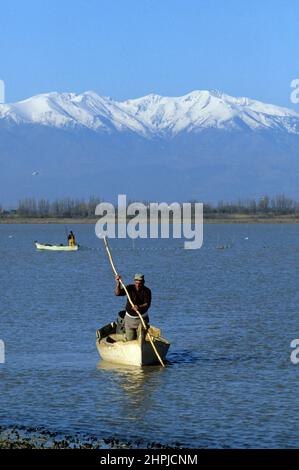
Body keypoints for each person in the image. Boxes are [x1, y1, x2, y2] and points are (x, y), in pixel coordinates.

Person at [115, 273, 151, 341]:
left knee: (141, 340)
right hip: (129, 320)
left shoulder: (147, 291)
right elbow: (118, 293)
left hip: (142, 319)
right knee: (130, 340)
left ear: (143, 282)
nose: (138, 285)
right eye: (136, 283)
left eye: (140, 283)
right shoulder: (129, 288)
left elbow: (147, 304)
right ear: (134, 282)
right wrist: (118, 283)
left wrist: (139, 307)